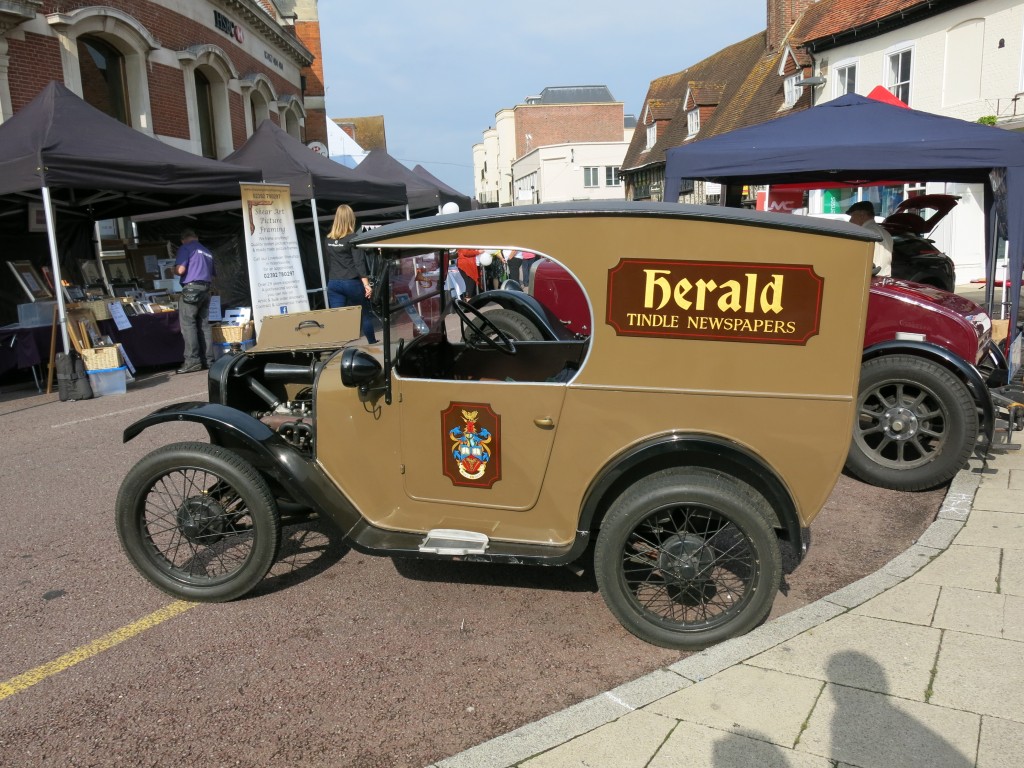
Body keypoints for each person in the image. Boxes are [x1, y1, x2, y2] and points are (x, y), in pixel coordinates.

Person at [325, 204, 377, 343]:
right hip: (351, 282)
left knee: (338, 318)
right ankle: (372, 342)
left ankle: (340, 346)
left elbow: (329, 263)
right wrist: (367, 285)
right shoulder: (353, 238)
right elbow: (359, 263)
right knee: (364, 315)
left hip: (334, 282)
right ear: (351, 219)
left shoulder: (328, 239)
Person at [174, 228, 215, 374]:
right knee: (204, 325)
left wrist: (172, 270)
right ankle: (209, 360)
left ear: (183, 239)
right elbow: (212, 274)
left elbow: (180, 270)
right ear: (196, 237)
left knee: (188, 324)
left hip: (191, 289)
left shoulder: (185, 248)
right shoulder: (207, 251)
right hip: (206, 289)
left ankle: (192, 361)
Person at [846, 200, 893, 277]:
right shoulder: (886, 233)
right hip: (885, 280)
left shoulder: (862, 233)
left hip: (869, 279)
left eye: (852, 216)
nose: (850, 220)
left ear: (862, 216)